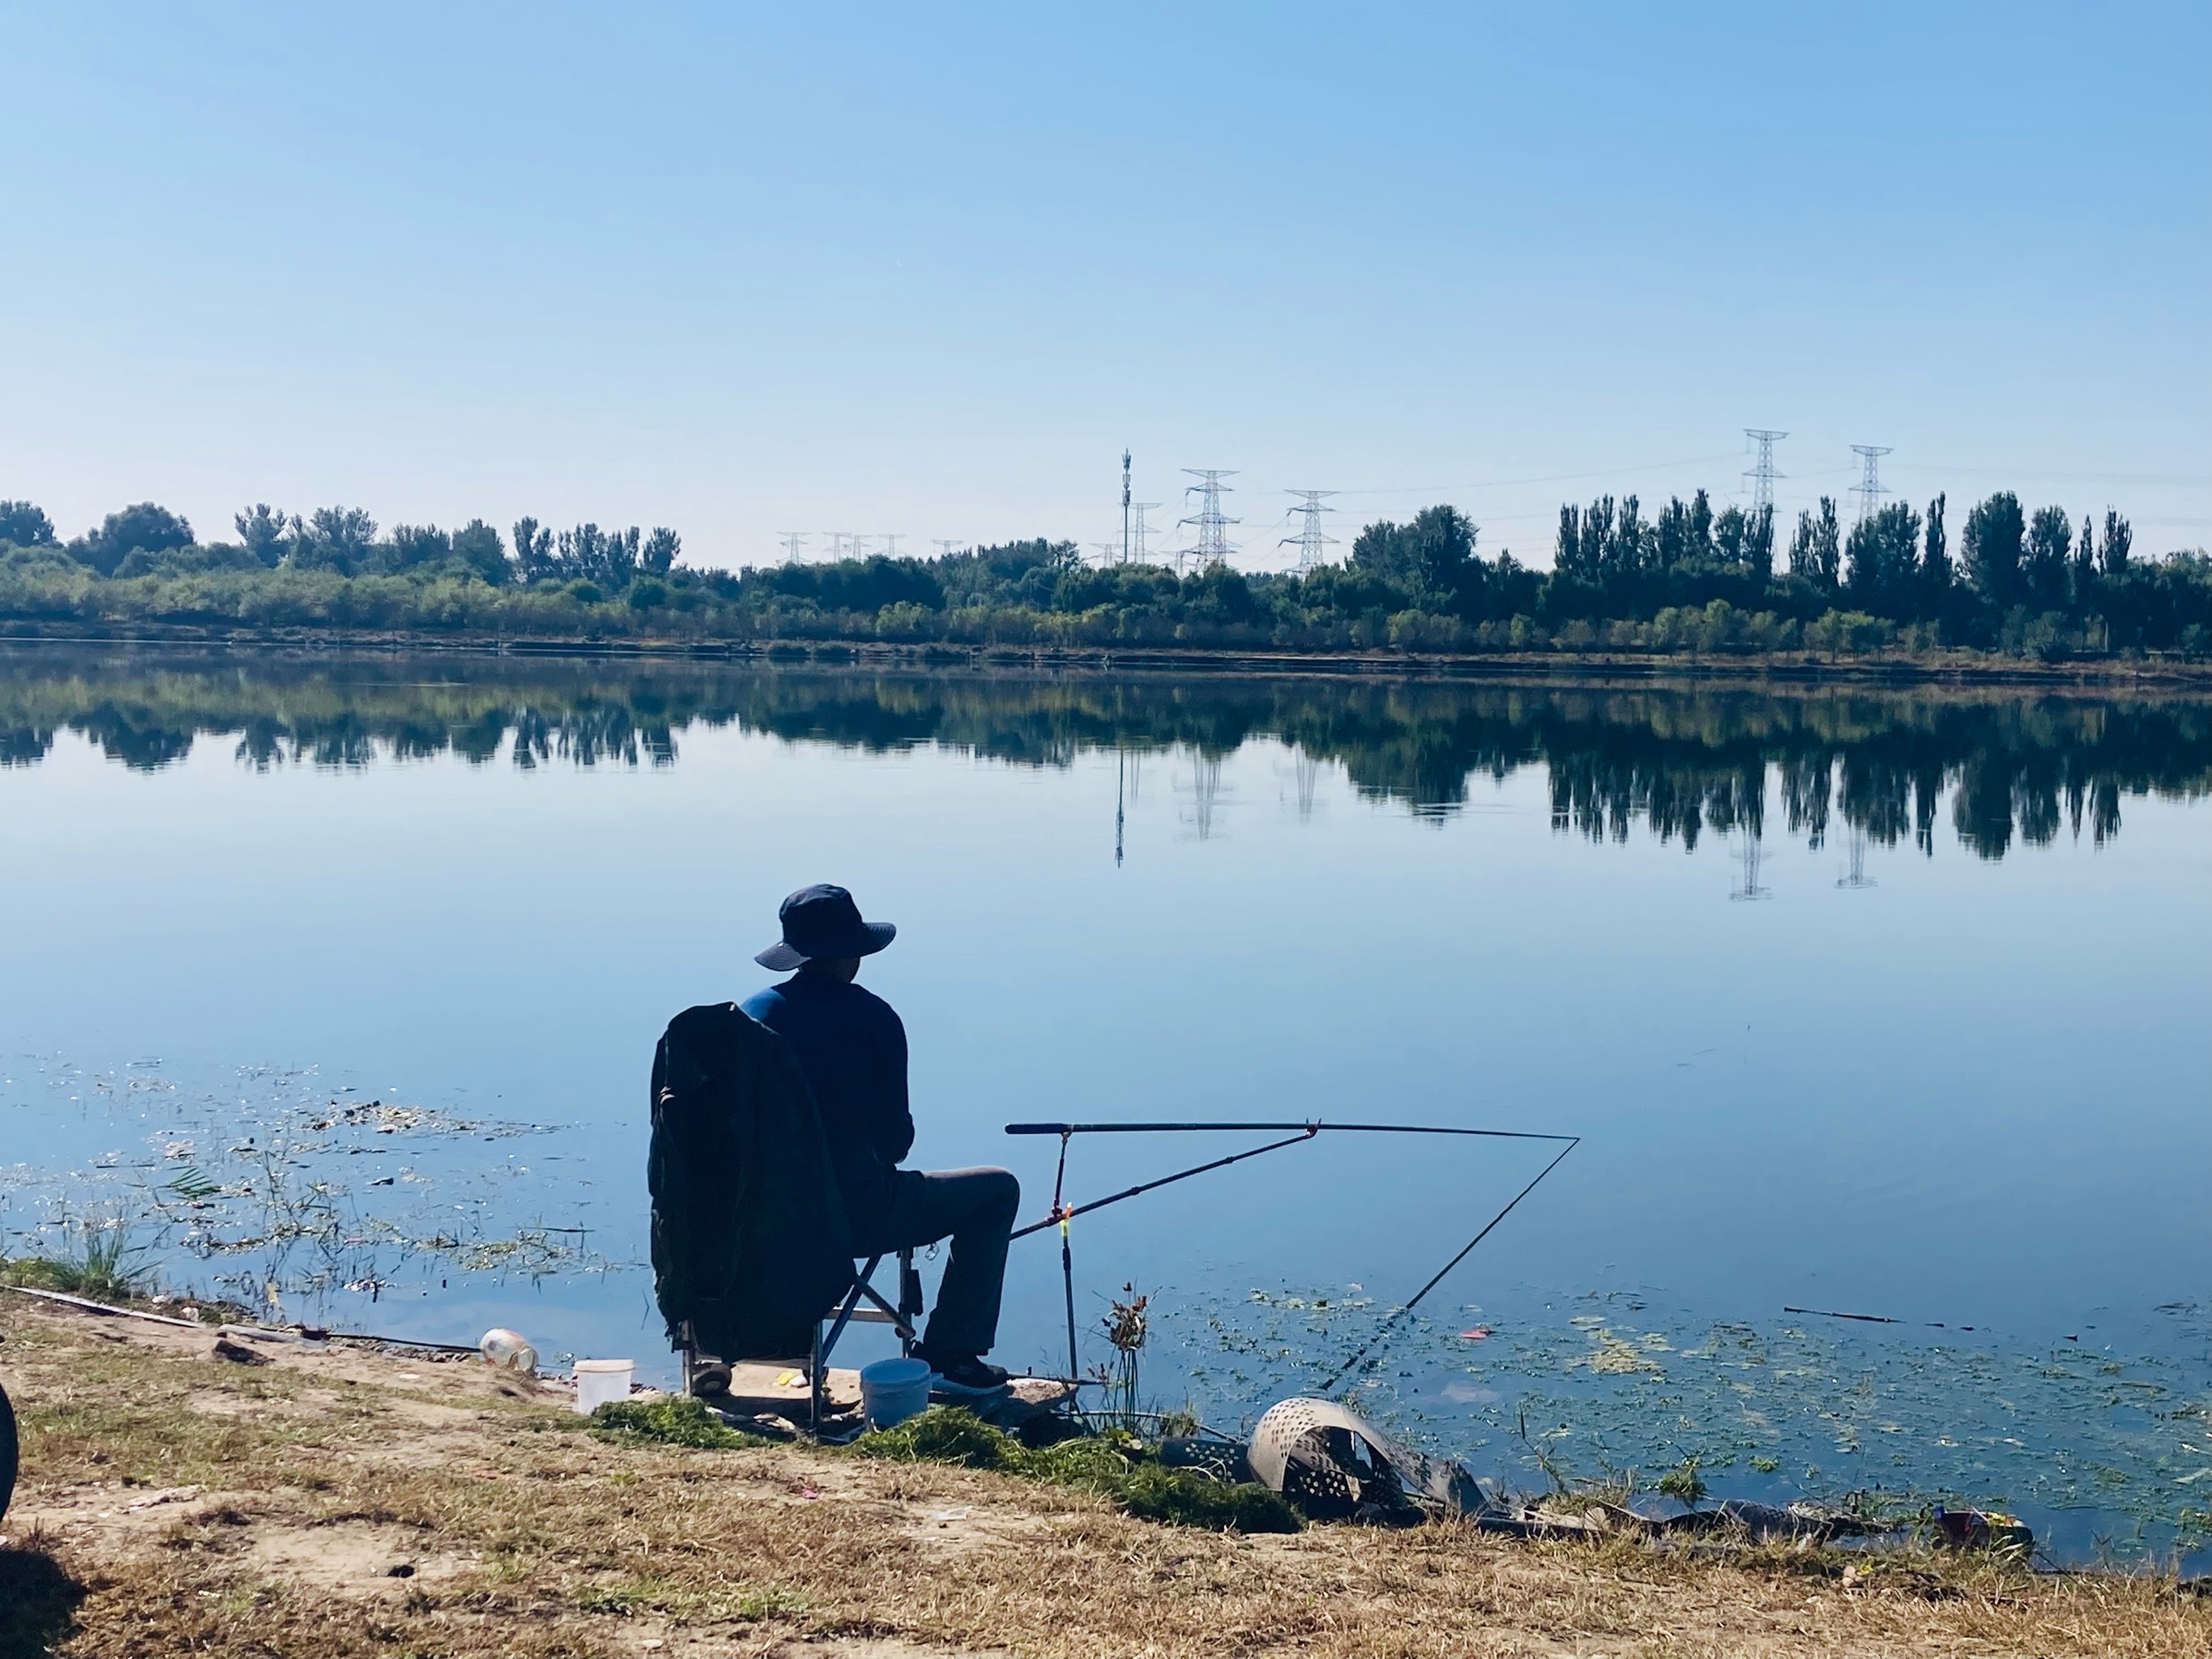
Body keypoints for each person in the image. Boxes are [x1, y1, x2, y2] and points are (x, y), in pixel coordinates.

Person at [741, 884, 1019, 1392]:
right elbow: (895, 1145)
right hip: (851, 1217)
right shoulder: (873, 1018)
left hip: (750, 1221)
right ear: (852, 952)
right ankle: (950, 1357)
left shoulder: (746, 1018)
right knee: (997, 1190)